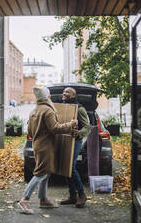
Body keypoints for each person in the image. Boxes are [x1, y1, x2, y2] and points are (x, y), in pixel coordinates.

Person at [18, 86, 78, 214]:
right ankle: (25, 199)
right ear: (47, 96)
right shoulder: (48, 110)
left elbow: (29, 131)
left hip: (38, 145)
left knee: (46, 172)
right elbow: (55, 128)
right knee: (41, 173)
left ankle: (43, 199)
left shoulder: (34, 110)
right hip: (46, 147)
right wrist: (70, 124)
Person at [60, 87, 91, 208]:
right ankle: (72, 196)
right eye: (64, 91)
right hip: (64, 139)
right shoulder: (62, 107)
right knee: (65, 168)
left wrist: (77, 134)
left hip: (75, 140)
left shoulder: (80, 108)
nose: (64, 93)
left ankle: (82, 194)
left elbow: (87, 127)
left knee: (71, 168)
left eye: (67, 92)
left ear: (73, 96)